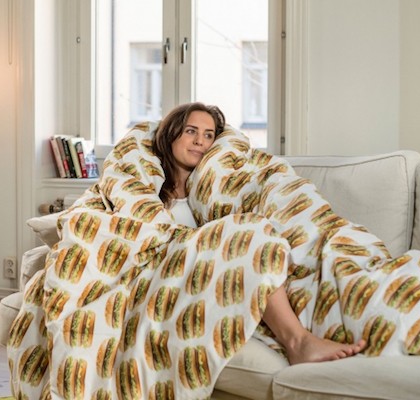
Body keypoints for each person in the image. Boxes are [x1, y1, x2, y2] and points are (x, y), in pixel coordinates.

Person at [151, 102, 366, 364]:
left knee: (262, 234)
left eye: (208, 135)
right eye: (190, 131)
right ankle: (297, 341)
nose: (200, 141)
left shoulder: (219, 184)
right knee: (247, 231)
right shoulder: (151, 190)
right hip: (185, 270)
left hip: (231, 263)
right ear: (170, 134)